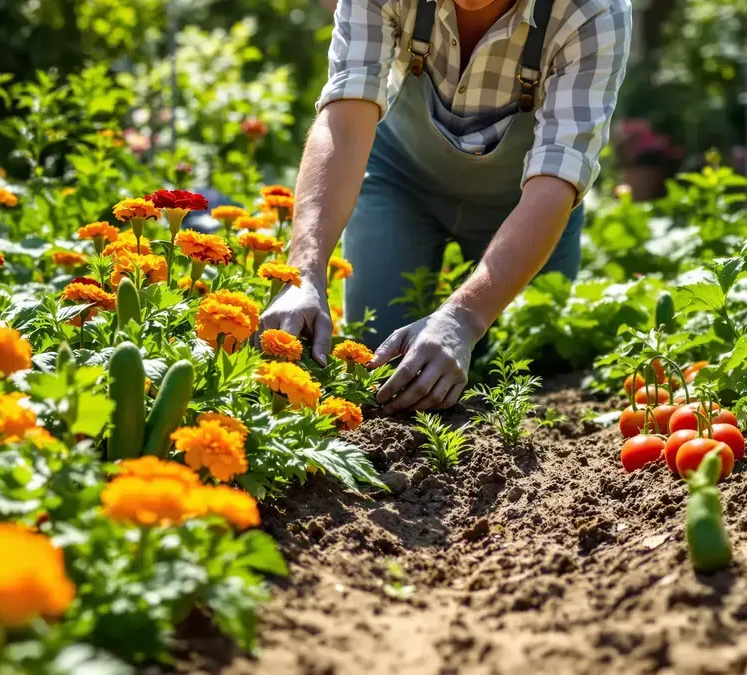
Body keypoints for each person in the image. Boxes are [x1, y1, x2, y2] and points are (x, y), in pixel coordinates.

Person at [259, 0, 632, 413]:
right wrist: (304, 274)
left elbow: (555, 180)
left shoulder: (592, 11)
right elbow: (345, 123)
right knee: (378, 359)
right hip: (402, 182)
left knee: (537, 372)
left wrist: (464, 318)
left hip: (524, 206)